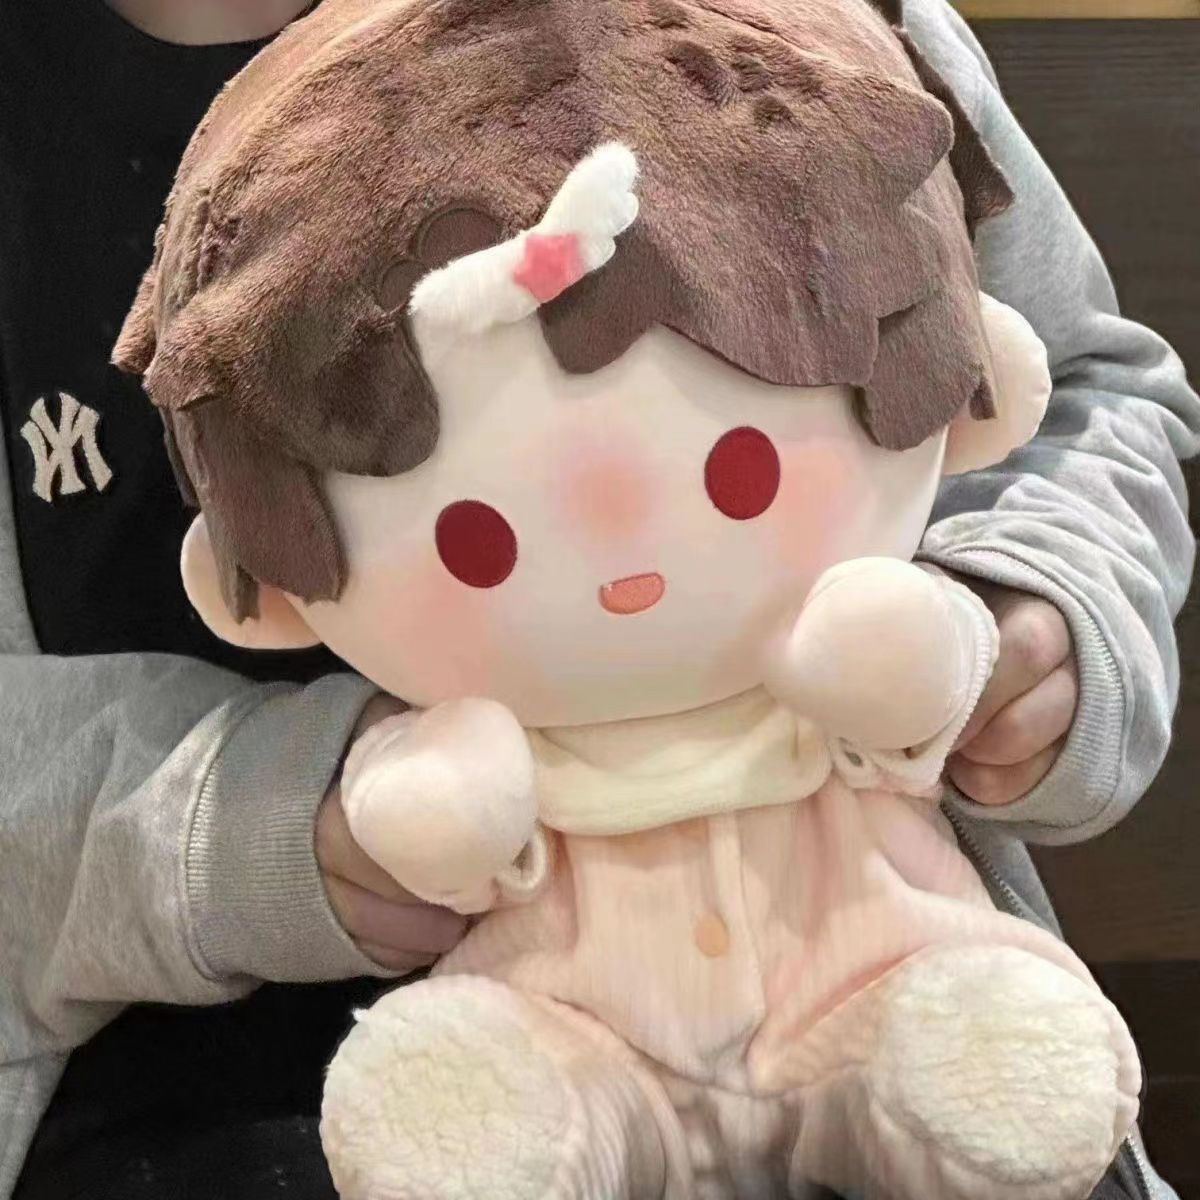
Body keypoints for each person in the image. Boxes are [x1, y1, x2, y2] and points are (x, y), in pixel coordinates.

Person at [0, 0, 1194, 1197]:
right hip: (201, 1090)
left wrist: (1033, 616)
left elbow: (1086, 388)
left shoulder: (802, 25)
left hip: (885, 952)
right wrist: (264, 824)